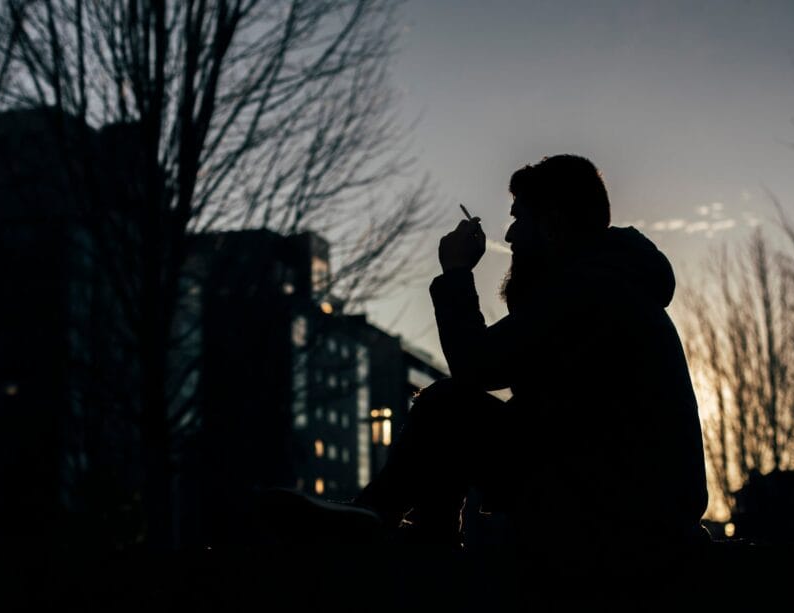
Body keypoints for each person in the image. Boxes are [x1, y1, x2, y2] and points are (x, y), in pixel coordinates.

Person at [263, 155, 708, 549]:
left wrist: (456, 273)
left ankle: (378, 523)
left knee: (448, 406)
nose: (509, 233)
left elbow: (477, 366)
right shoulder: (609, 285)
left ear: (551, 223)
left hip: (619, 508)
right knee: (453, 410)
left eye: (519, 218)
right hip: (631, 497)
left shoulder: (588, 290)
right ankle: (407, 528)